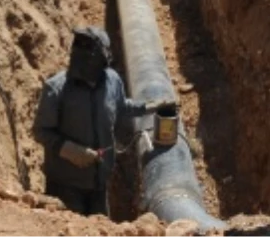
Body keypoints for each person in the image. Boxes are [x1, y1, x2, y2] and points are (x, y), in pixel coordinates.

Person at [32, 26, 173, 216]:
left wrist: (148, 107)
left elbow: (121, 106)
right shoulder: (56, 89)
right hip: (65, 186)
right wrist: (66, 148)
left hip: (99, 183)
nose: (81, 54)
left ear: (103, 57)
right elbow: (41, 131)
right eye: (78, 47)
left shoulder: (113, 81)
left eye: (88, 49)